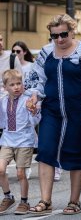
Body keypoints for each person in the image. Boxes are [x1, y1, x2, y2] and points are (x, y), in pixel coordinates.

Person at [24, 14, 81, 215]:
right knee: (46, 151)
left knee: (77, 153)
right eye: (54, 36)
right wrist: (33, 97)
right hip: (51, 110)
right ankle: (45, 200)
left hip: (79, 111)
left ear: (73, 31)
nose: (59, 40)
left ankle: (74, 201)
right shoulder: (46, 52)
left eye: (63, 34)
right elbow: (37, 79)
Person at [0, 70, 40, 215]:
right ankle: (8, 197)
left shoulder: (27, 100)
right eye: (12, 84)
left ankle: (24, 201)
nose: (16, 87)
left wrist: (34, 111)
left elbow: (35, 121)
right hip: (7, 139)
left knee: (21, 173)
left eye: (19, 83)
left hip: (24, 140)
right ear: (5, 87)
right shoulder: (3, 101)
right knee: (0, 169)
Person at [11, 41, 35, 180]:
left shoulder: (31, 66)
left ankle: (26, 165)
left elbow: (32, 85)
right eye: (13, 51)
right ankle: (20, 164)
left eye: (18, 51)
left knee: (27, 132)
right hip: (11, 101)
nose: (15, 54)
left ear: (24, 52)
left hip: (26, 101)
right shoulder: (11, 64)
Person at [0, 34, 23, 98]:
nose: (0, 43)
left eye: (1, 40)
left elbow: (21, 80)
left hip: (9, 100)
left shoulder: (12, 57)